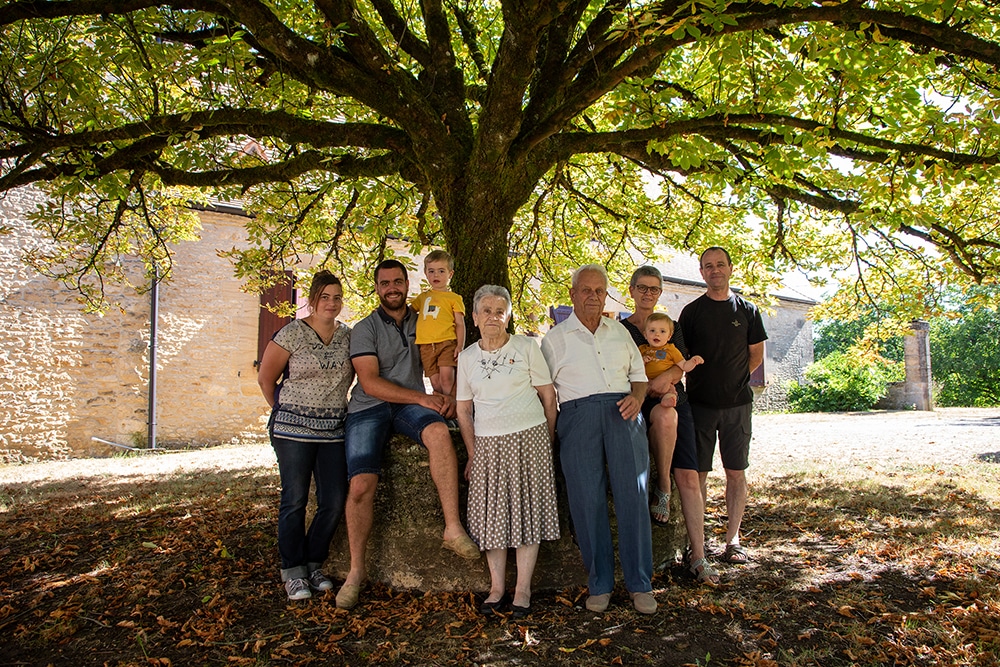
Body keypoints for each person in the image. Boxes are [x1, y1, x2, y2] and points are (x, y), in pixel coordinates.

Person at [336, 259, 479, 611]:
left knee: (438, 434)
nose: (392, 288)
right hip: (369, 407)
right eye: (385, 283)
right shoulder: (365, 328)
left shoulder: (423, 319)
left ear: (407, 285)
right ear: (377, 288)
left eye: (398, 282)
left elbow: (448, 347)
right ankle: (356, 572)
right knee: (360, 484)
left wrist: (446, 397)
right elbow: (369, 382)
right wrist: (422, 397)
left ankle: (452, 528)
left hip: (408, 408)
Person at [541, 264, 657, 615]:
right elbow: (545, 394)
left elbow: (639, 377)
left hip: (624, 412)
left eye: (600, 291)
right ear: (573, 294)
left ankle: (640, 584)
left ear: (606, 295)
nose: (593, 296)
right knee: (586, 499)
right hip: (577, 418)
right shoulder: (553, 340)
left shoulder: (620, 333)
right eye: (586, 290)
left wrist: (637, 398)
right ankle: (600, 584)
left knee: (634, 495)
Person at [455, 285, 560, 619]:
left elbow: (548, 398)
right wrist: (473, 453)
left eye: (500, 311)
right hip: (488, 443)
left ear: (509, 316)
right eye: (485, 310)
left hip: (530, 438)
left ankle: (523, 589)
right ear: (474, 317)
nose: (492, 317)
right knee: (493, 518)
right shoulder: (468, 357)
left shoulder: (527, 346)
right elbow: (463, 411)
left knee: (528, 513)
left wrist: (548, 439)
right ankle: (497, 588)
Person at [257, 270, 355, 600]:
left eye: (337, 297)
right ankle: (293, 570)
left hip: (332, 432)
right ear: (312, 300)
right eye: (324, 297)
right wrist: (286, 413)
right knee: (295, 500)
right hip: (292, 432)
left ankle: (314, 563)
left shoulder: (349, 337)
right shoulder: (292, 334)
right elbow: (265, 378)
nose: (331, 303)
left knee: (333, 501)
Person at [622, 266, 718, 584]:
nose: (648, 294)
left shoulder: (670, 326)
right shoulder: (623, 331)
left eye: (654, 289)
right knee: (663, 417)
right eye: (642, 288)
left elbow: (681, 365)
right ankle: (662, 485)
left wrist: (664, 379)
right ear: (632, 290)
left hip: (675, 398)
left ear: (660, 293)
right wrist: (646, 388)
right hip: (639, 401)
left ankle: (699, 557)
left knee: (689, 477)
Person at [679, 247, 768, 566]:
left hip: (738, 406)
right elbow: (680, 356)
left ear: (730, 268)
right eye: (708, 266)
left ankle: (734, 540)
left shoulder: (747, 309)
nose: (714, 270)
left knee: (736, 472)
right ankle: (698, 545)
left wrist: (735, 382)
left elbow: (755, 354)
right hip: (699, 406)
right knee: (698, 475)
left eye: (720, 265)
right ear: (701, 273)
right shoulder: (691, 312)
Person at [412, 250, 466, 396]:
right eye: (432, 271)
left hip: (446, 343)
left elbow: (460, 324)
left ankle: (451, 407)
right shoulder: (423, 297)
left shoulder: (454, 298)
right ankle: (442, 410)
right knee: (435, 382)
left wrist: (460, 346)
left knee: (447, 378)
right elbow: (407, 312)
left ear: (450, 274)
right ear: (425, 273)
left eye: (441, 271)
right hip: (426, 346)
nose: (436, 275)